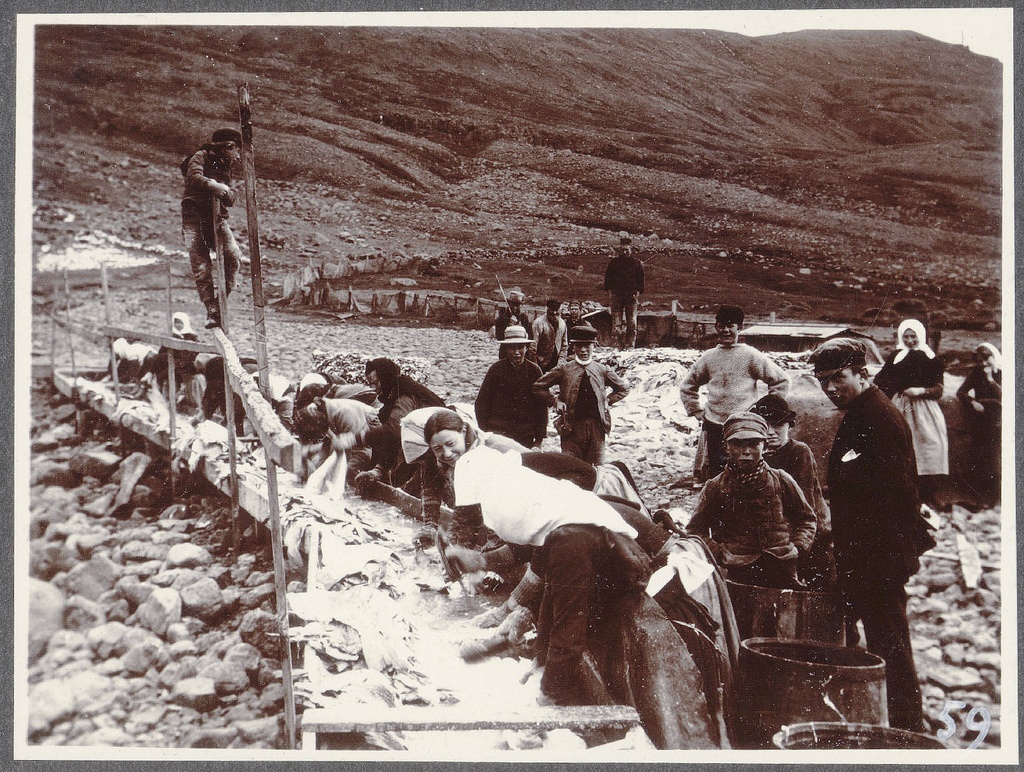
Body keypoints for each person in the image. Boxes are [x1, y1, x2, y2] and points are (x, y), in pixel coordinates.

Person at [444, 443, 653, 707]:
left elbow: (568, 627)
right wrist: (538, 659)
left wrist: (549, 691)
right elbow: (546, 587)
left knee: (577, 631)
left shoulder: (571, 539)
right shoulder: (550, 513)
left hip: (624, 580)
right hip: (593, 567)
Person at [812, 338, 929, 732]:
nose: (829, 389)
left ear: (862, 374)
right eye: (822, 381)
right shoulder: (861, 413)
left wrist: (882, 562)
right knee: (877, 642)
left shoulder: (878, 418)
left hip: (878, 559)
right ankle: (884, 718)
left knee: (891, 646)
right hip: (864, 556)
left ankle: (908, 729)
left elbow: (901, 497)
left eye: (837, 378)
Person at [686, 412, 816, 590]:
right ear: (725, 447)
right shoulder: (715, 487)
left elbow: (807, 519)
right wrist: (720, 553)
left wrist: (798, 548)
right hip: (737, 572)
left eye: (754, 444)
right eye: (737, 444)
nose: (746, 452)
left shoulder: (780, 480)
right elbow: (694, 530)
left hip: (782, 569)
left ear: (765, 446)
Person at [679, 305, 790, 480]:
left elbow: (780, 380)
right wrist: (696, 410)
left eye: (731, 326)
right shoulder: (708, 357)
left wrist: (766, 412)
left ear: (739, 327)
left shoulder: (751, 355)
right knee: (717, 471)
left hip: (744, 424)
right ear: (716, 327)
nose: (726, 330)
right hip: (715, 423)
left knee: (745, 467)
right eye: (721, 326)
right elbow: (687, 386)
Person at [751, 394, 834, 588]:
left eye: (778, 425)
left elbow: (803, 507)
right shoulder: (755, 455)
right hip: (775, 537)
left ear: (790, 425)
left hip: (809, 534)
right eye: (765, 425)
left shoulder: (798, 452)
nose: (771, 432)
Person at [873, 319, 949, 506]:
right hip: (901, 405)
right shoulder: (896, 357)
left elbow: (939, 390)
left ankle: (927, 494)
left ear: (920, 336)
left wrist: (921, 391)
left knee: (928, 445)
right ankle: (903, 494)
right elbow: (882, 379)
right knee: (900, 446)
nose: (909, 340)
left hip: (924, 408)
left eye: (913, 336)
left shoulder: (931, 359)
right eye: (905, 336)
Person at [532, 323, 630, 465]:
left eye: (587, 346)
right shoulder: (564, 369)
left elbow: (623, 388)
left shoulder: (602, 370)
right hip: (571, 429)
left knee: (597, 470)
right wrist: (555, 401)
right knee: (571, 469)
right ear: (573, 347)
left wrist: (608, 400)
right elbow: (538, 387)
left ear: (594, 346)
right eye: (579, 346)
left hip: (597, 428)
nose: (583, 350)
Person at [181, 128, 245, 329]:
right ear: (229, 147)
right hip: (194, 218)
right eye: (237, 151)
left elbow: (231, 197)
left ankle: (220, 303)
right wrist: (213, 185)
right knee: (202, 267)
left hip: (217, 219)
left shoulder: (226, 166)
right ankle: (211, 310)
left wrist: (226, 193)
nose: (238, 156)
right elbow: (193, 177)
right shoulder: (200, 157)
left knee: (233, 257)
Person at [356, 357, 445, 486]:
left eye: (376, 382)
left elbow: (394, 432)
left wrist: (361, 438)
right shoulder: (395, 392)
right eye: (371, 384)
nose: (374, 387)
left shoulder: (405, 397)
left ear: (386, 378)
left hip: (431, 447)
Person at [474, 326, 549, 449]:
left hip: (525, 434)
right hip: (499, 433)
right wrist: (485, 432)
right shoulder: (496, 369)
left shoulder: (534, 371)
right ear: (506, 349)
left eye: (520, 347)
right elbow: (482, 403)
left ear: (527, 348)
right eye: (512, 348)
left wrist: (539, 438)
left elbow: (541, 406)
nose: (516, 352)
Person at [956, 342, 1002, 507]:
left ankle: (994, 498)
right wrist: (972, 402)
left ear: (993, 357)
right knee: (978, 457)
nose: (983, 364)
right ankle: (978, 498)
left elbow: (1004, 395)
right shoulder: (976, 373)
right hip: (981, 420)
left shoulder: (1002, 373)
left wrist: (990, 380)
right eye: (980, 360)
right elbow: (961, 391)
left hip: (998, 419)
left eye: (986, 359)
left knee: (994, 458)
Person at [602, 232, 645, 349]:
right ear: (619, 250)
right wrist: (609, 291)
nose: (625, 252)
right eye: (622, 250)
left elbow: (641, 279)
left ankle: (630, 345)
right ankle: (617, 344)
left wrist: (638, 292)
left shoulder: (636, 263)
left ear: (631, 249)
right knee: (616, 322)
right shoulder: (613, 262)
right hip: (617, 295)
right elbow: (608, 277)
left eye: (627, 250)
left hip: (631, 296)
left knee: (632, 322)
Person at [494, 290, 534, 360]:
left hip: (522, 354)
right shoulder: (501, 319)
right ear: (508, 304)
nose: (515, 307)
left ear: (520, 305)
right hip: (506, 353)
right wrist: (509, 325)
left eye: (517, 305)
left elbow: (530, 336)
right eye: (513, 304)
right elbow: (499, 337)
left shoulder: (524, 318)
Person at [532, 299, 568, 372]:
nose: (554, 317)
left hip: (556, 361)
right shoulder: (538, 323)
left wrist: (561, 361)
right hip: (541, 362)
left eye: (557, 314)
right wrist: (534, 366)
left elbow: (564, 345)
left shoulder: (562, 324)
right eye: (552, 314)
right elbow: (532, 347)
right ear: (547, 311)